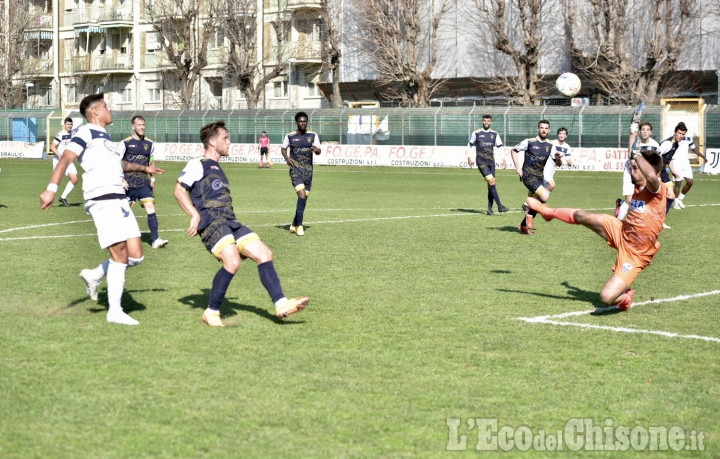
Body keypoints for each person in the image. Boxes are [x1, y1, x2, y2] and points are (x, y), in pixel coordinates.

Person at [40, 93, 165, 325]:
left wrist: (144, 168)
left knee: (136, 256)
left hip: (119, 197)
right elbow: (67, 158)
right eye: (106, 106)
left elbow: (119, 164)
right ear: (96, 111)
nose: (110, 110)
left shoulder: (105, 136)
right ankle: (114, 311)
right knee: (119, 252)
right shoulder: (85, 132)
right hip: (102, 197)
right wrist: (51, 188)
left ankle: (94, 274)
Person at [174, 121, 310, 327]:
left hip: (230, 221)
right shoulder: (197, 164)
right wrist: (193, 214)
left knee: (265, 254)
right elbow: (178, 190)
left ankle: (281, 303)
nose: (229, 142)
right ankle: (211, 312)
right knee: (232, 261)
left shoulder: (217, 167)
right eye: (225, 138)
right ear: (212, 142)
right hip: (212, 222)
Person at [525, 149, 666, 312]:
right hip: (621, 231)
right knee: (581, 215)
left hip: (636, 254)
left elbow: (650, 175)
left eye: (635, 168)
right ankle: (548, 213)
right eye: (631, 167)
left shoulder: (657, 189)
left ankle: (624, 298)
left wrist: (638, 155)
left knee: (606, 298)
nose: (631, 171)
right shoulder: (637, 185)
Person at [118, 115, 168, 249]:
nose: (142, 127)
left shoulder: (150, 144)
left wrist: (152, 178)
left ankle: (155, 239)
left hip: (143, 181)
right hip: (128, 182)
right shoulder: (125, 143)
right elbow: (117, 163)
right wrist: (122, 179)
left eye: (143, 125)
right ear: (133, 127)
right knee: (124, 212)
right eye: (139, 125)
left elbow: (151, 161)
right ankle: (120, 239)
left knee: (150, 207)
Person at [510, 120, 559, 235]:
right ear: (538, 129)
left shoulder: (550, 145)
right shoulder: (529, 142)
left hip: (539, 177)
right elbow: (513, 150)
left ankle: (523, 226)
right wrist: (518, 167)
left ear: (549, 130)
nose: (544, 130)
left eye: (546, 128)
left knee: (538, 204)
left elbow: (559, 163)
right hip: (528, 175)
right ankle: (530, 214)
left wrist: (558, 158)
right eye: (542, 128)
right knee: (545, 195)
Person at [281, 111, 321, 237]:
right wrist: (287, 158)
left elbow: (319, 150)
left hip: (308, 172)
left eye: (305, 121)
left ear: (307, 122)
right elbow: (283, 149)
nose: (303, 123)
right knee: (302, 196)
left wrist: (316, 150)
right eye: (300, 121)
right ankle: (300, 226)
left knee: (302, 199)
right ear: (296, 122)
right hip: (295, 171)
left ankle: (293, 224)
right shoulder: (290, 136)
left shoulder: (313, 135)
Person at [466, 114, 509, 215]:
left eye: (488, 121)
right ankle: (500, 206)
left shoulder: (494, 134)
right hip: (481, 162)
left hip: (491, 163)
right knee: (491, 181)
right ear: (482, 121)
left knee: (491, 185)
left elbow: (500, 147)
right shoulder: (476, 133)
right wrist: (469, 157)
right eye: (485, 120)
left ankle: (490, 210)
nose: (486, 122)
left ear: (491, 122)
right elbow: (470, 145)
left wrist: (503, 159)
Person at [617, 121, 659, 220]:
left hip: (643, 174)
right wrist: (633, 129)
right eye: (643, 130)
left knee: (644, 199)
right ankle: (617, 224)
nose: (645, 132)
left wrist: (656, 175)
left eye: (647, 130)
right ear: (640, 131)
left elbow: (657, 162)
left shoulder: (655, 145)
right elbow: (631, 161)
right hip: (631, 171)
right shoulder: (636, 142)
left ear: (651, 132)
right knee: (629, 200)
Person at [666, 122, 706, 210]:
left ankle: (680, 199)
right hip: (676, 162)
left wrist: (702, 156)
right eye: (679, 133)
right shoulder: (670, 140)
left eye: (683, 133)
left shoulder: (688, 139)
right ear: (675, 132)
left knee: (690, 182)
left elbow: (694, 149)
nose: (681, 135)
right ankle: (675, 202)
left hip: (686, 163)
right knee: (678, 183)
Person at [50, 117, 79, 207]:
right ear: (64, 125)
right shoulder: (60, 134)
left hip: (68, 160)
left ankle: (63, 197)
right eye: (67, 124)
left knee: (75, 179)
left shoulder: (74, 133)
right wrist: (59, 155)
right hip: (59, 161)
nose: (69, 126)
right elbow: (52, 146)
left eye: (71, 124)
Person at [543, 127, 573, 193]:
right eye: (560, 133)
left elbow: (568, 160)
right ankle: (541, 200)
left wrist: (569, 162)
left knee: (544, 188)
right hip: (545, 168)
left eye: (563, 134)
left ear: (566, 136)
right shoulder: (552, 143)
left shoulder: (567, 147)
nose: (561, 135)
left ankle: (534, 201)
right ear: (558, 135)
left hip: (552, 169)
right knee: (551, 185)